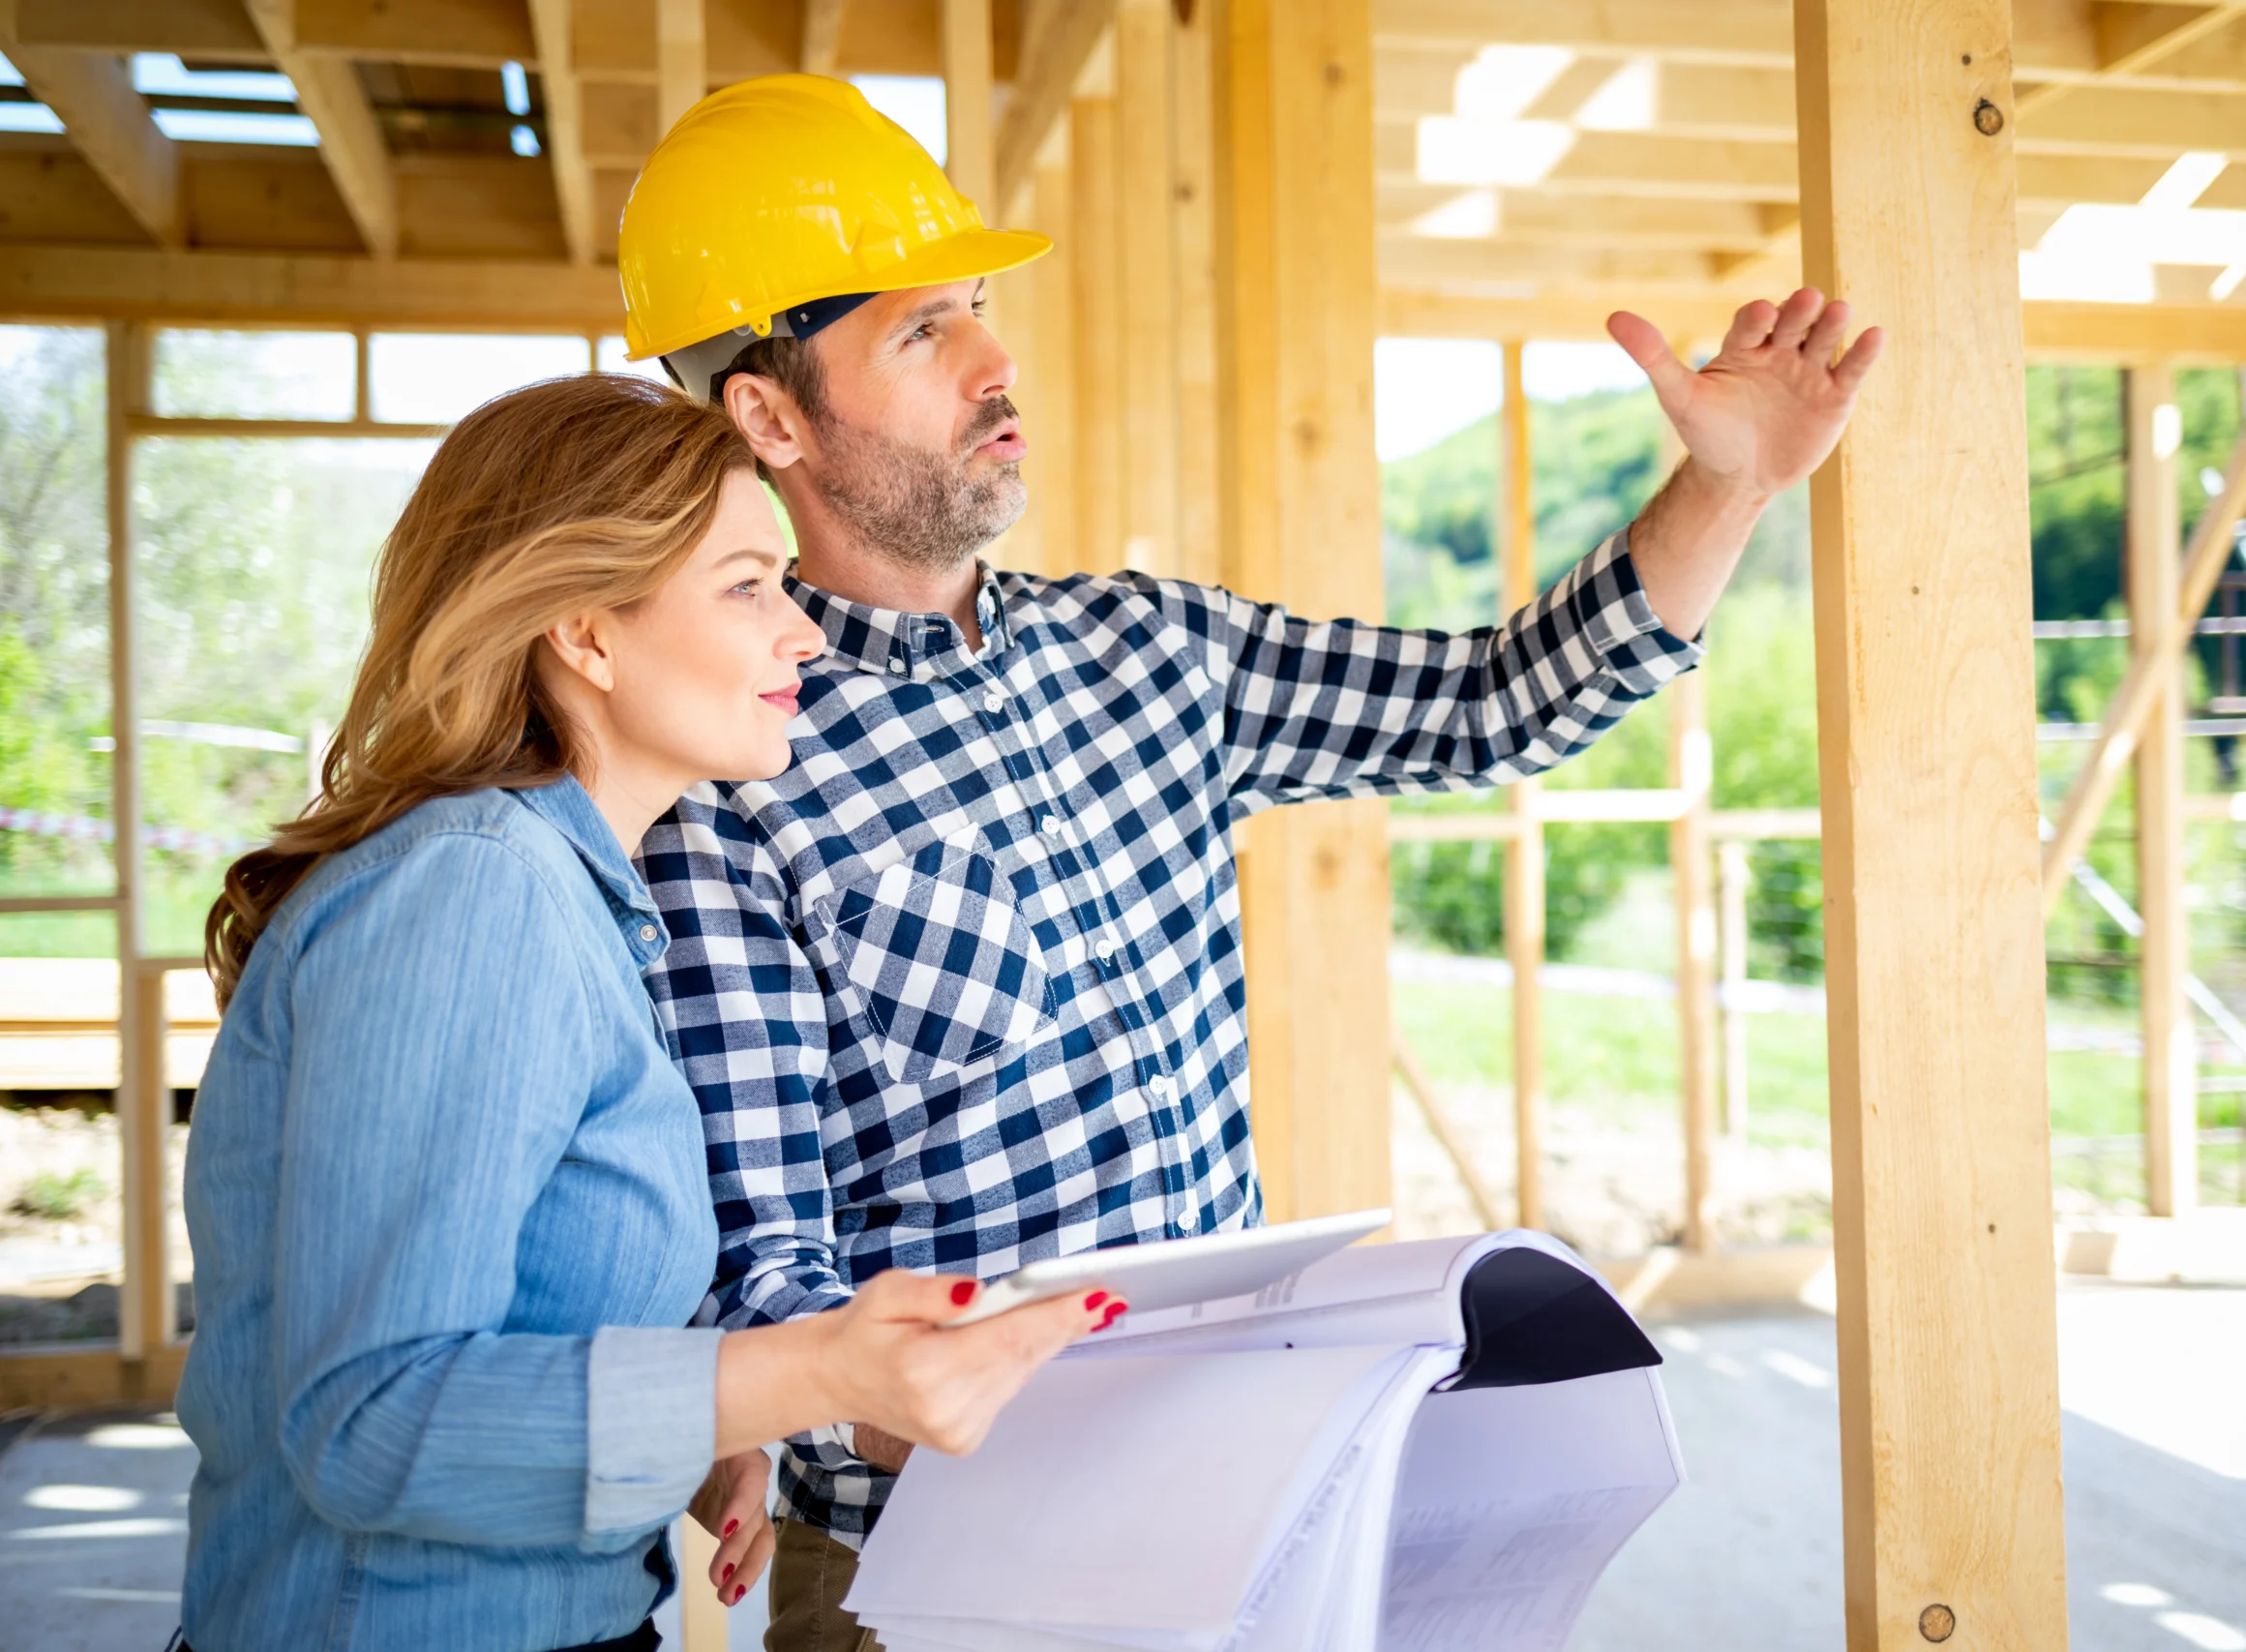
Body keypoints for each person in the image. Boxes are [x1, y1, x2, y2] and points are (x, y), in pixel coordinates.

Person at [620, 75, 1883, 1652]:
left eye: (980, 309)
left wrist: (1727, 481)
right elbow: (765, 1294)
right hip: (934, 1582)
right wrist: (973, 1433)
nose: (1000, 360)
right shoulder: (734, 772)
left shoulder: (1153, 652)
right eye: (923, 332)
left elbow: (1492, 706)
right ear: (770, 415)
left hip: (1259, 1528)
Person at [174, 373, 1123, 1652]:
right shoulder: (471, 892)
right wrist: (819, 1370)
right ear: (585, 631)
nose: (804, 633)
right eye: (745, 585)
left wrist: (697, 1423)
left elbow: (509, 1325)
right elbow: (370, 1423)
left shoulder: (567, 894)